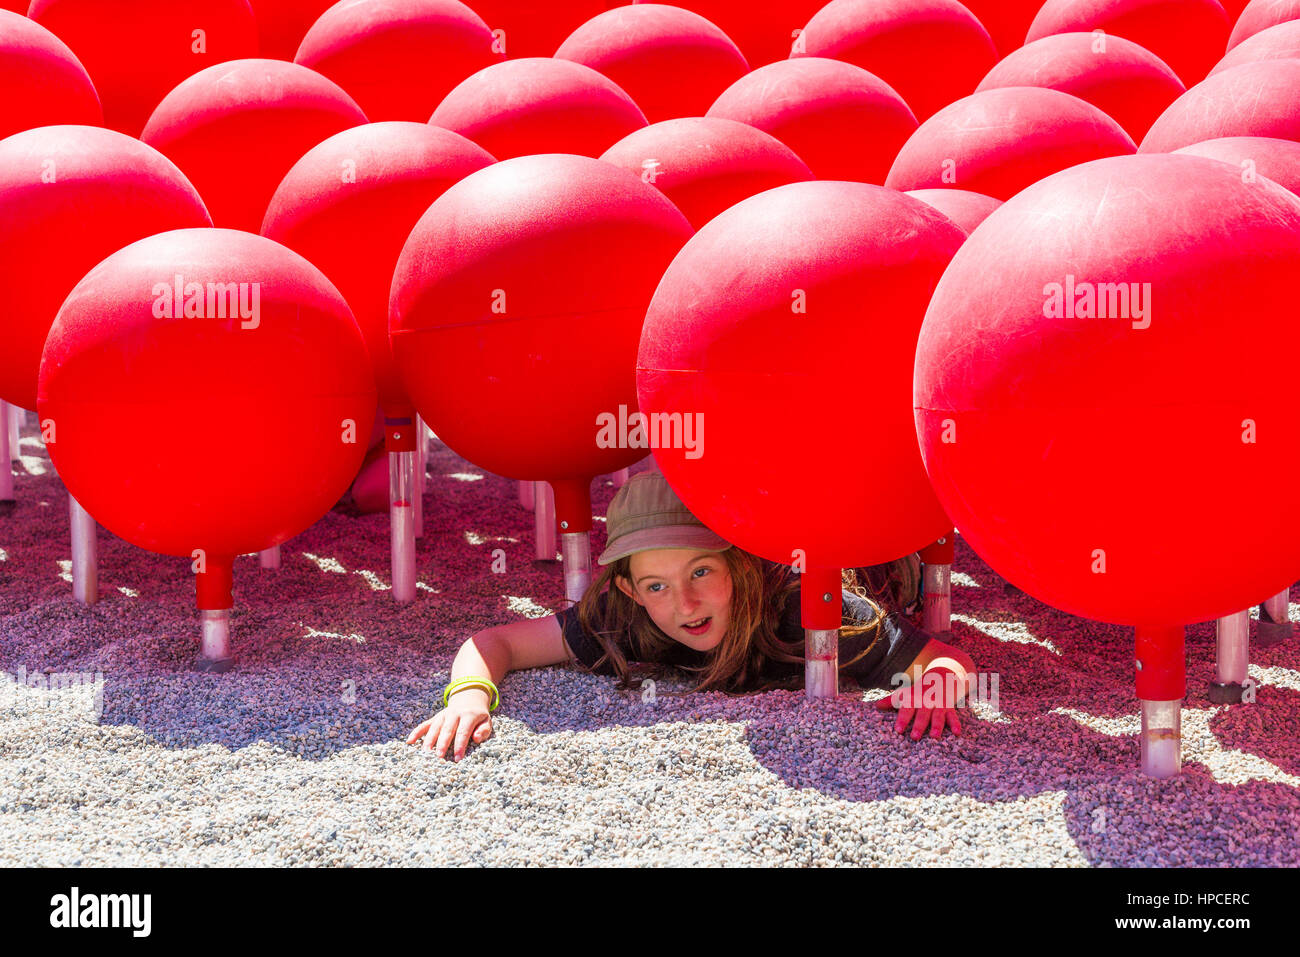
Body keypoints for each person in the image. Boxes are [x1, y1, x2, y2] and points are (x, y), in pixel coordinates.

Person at [407, 471, 976, 761]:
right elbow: (496, 642)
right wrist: (468, 697)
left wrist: (936, 686)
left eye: (702, 572)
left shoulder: (810, 609)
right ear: (629, 589)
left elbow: (945, 658)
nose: (683, 604)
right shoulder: (621, 617)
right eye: (658, 586)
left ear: (739, 564)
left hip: (878, 549)